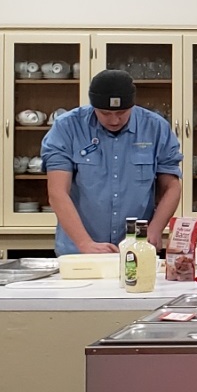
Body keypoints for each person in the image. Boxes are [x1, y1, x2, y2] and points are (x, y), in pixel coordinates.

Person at [42, 69, 183, 255]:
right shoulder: (67, 128)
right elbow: (57, 192)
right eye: (105, 113)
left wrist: (155, 229)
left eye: (122, 112)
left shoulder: (155, 128)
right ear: (93, 106)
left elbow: (172, 187)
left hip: (136, 249)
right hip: (79, 252)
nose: (114, 120)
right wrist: (84, 243)